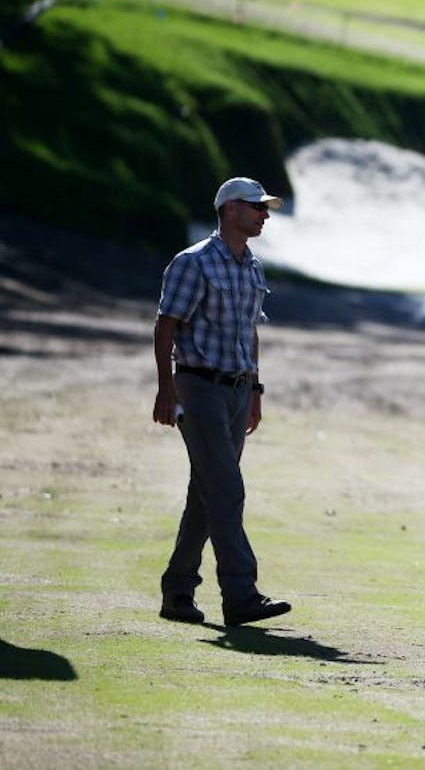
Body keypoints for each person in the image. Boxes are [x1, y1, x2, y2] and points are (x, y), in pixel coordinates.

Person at [151, 177, 291, 628]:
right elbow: (165, 326)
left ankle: (177, 592)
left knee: (207, 492)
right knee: (227, 489)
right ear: (230, 209)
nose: (264, 215)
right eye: (256, 207)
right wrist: (166, 388)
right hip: (198, 386)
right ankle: (240, 593)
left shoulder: (251, 266)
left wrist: (254, 388)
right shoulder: (193, 262)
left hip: (235, 390)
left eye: (265, 208)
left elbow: (249, 330)